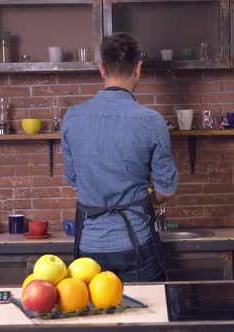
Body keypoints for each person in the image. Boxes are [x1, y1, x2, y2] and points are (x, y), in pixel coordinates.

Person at [61, 32, 178, 282]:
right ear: (138, 69)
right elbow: (166, 189)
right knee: (147, 316)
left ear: (102, 69)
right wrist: (150, 199)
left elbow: (73, 181)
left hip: (89, 248)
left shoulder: (72, 118)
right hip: (136, 241)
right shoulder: (152, 121)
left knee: (93, 319)